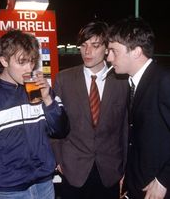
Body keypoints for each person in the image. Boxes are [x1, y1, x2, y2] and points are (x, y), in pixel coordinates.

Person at [0, 29, 69, 199]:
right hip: (8, 190)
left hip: (44, 183)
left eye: (32, 61)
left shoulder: (40, 89)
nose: (29, 68)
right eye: (22, 62)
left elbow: (61, 131)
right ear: (4, 60)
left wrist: (48, 100)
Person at [51, 20, 129, 199]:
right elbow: (54, 123)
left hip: (109, 170)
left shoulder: (122, 81)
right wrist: (58, 160)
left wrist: (125, 167)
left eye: (95, 45)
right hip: (72, 169)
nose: (87, 52)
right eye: (83, 45)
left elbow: (125, 127)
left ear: (107, 49)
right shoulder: (64, 79)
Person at [107, 16, 170, 199]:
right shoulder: (133, 83)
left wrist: (164, 180)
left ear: (136, 51)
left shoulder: (164, 81)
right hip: (138, 185)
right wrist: (128, 176)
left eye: (113, 51)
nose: (109, 57)